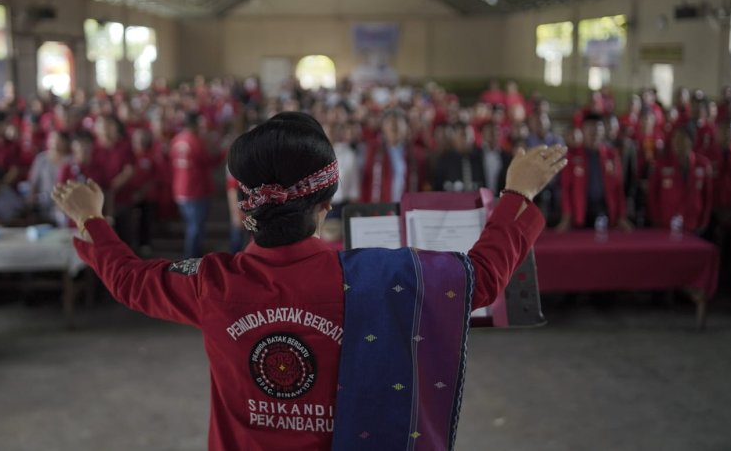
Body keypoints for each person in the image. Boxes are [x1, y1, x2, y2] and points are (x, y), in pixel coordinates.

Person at [52, 112, 567, 450]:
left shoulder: (211, 282)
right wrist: (516, 196)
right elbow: (478, 279)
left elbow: (127, 279)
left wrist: (92, 219)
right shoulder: (377, 280)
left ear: (244, 205)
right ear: (325, 207)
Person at [558, 113, 632, 231]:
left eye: (598, 129)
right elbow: (566, 188)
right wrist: (566, 216)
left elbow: (618, 187)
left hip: (606, 212)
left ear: (603, 131)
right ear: (582, 130)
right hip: (581, 213)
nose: (595, 133)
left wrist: (621, 216)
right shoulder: (572, 156)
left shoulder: (611, 155)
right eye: (590, 129)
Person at [169, 112, 222, 258]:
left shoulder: (176, 140)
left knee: (192, 226)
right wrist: (223, 151)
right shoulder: (195, 141)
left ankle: (195, 253)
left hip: (180, 189)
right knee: (195, 227)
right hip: (196, 190)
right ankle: (191, 258)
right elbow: (210, 161)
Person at [647, 127, 714, 234]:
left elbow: (707, 196)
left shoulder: (703, 164)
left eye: (682, 140)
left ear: (691, 142)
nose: (678, 143)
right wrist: (655, 218)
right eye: (675, 139)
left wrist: (704, 221)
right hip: (666, 222)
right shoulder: (661, 164)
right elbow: (652, 193)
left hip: (693, 222)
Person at [360, 109, 427, 202]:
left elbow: (422, 186)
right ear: (383, 128)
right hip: (381, 209)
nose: (394, 126)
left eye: (398, 123)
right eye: (389, 123)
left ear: (407, 128)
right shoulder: (374, 152)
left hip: (408, 208)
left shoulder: (417, 155)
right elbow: (366, 184)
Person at [27, 130, 72, 225]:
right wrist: (31, 198)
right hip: (44, 200)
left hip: (64, 201)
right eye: (52, 139)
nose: (55, 143)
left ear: (66, 143)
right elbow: (33, 182)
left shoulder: (71, 160)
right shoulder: (41, 158)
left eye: (59, 140)